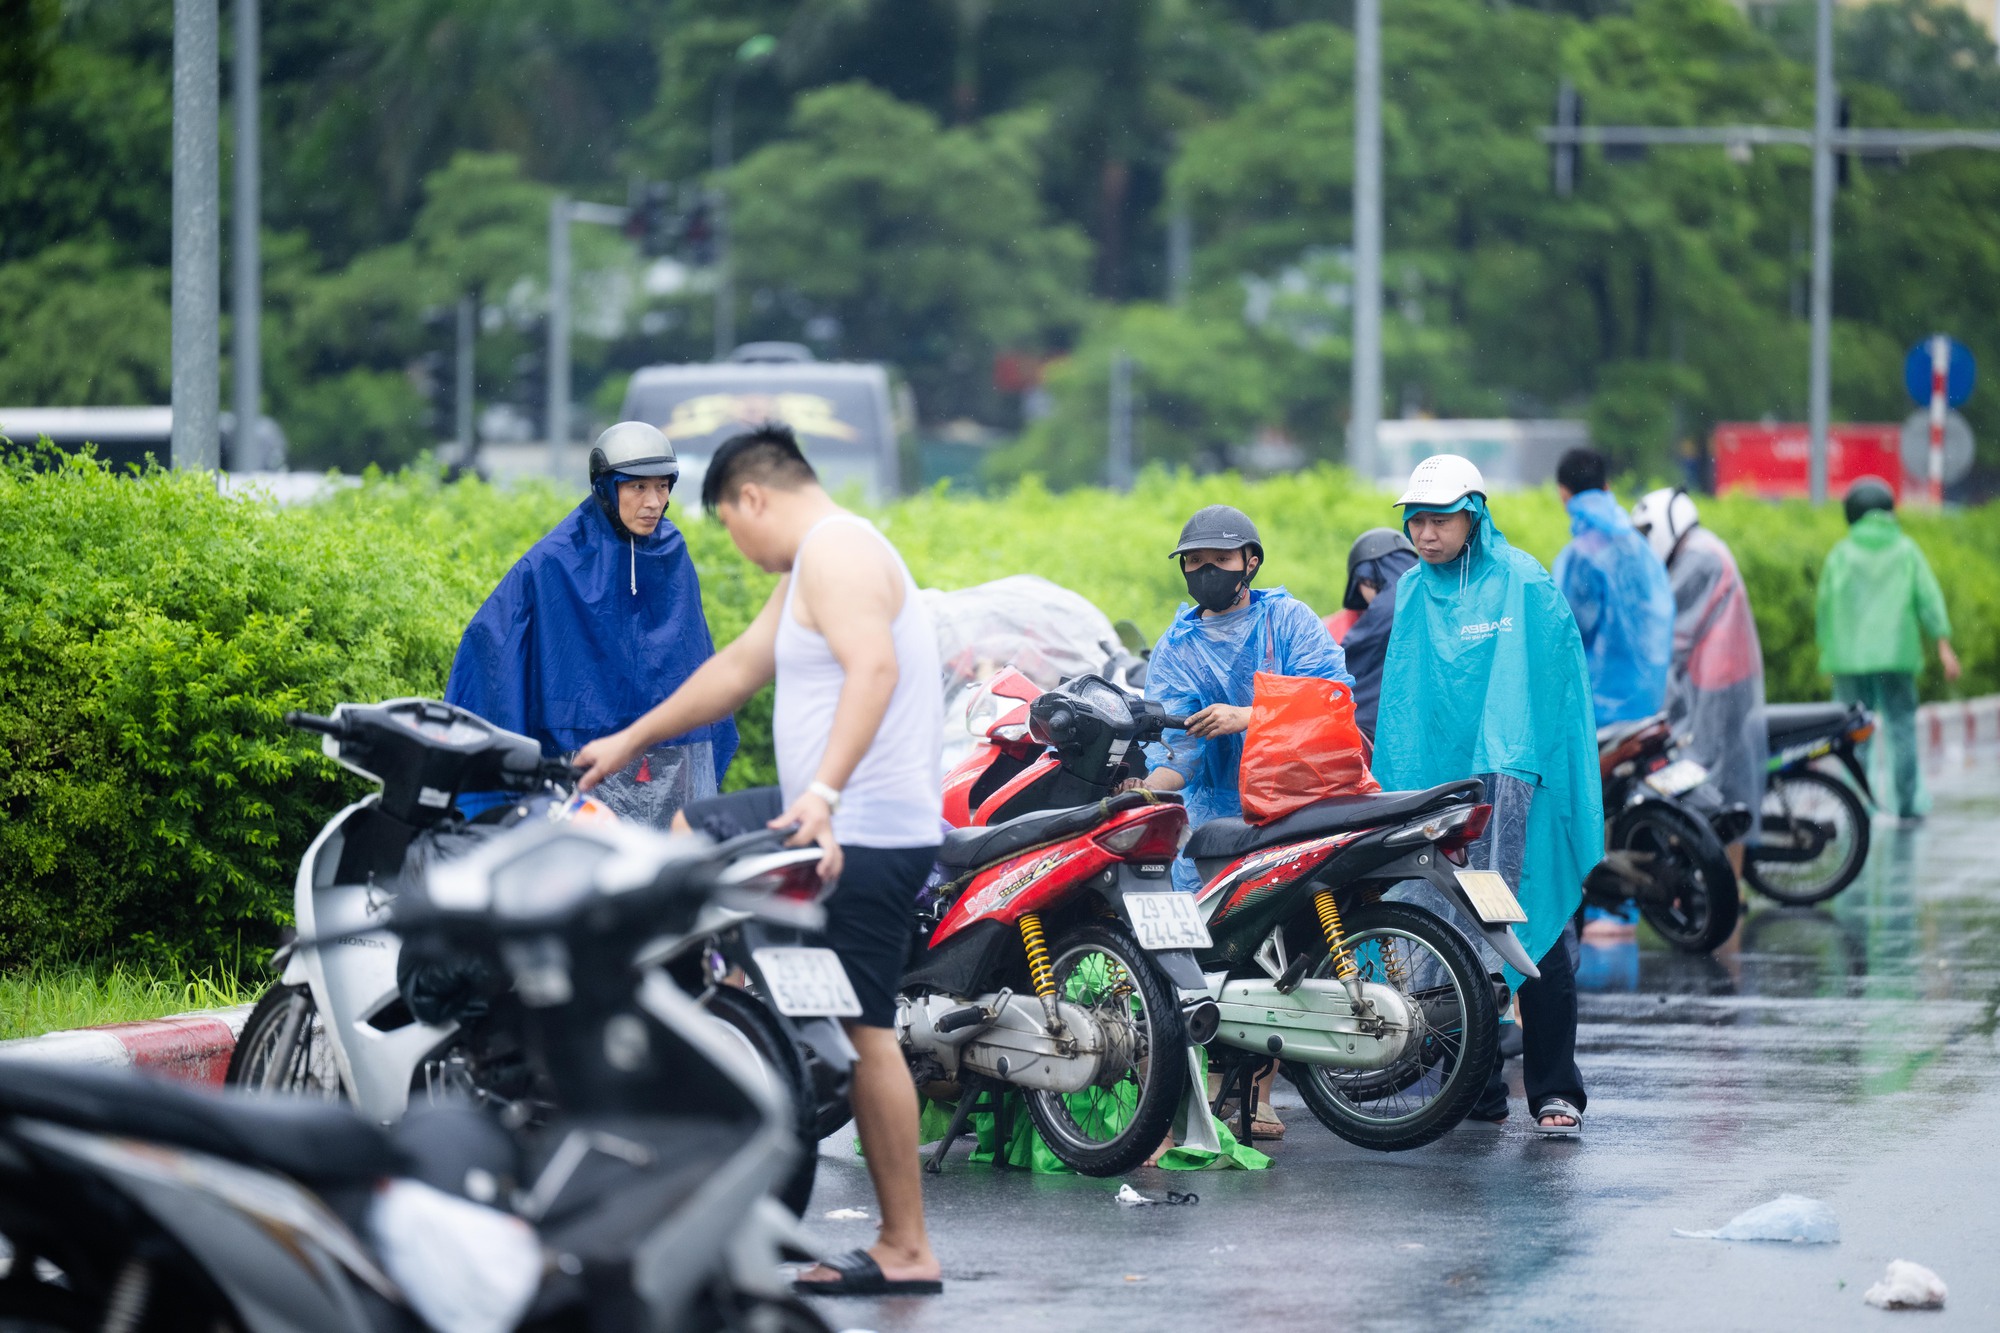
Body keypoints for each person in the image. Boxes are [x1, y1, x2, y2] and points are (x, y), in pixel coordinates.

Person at [574, 423, 944, 1297]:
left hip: (863, 830)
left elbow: (875, 668)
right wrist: (628, 739)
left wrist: (822, 792)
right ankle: (727, 1022)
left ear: (752, 498)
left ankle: (905, 1245)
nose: (743, 550)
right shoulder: (821, 557)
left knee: (868, 1030)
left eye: (733, 530)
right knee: (694, 837)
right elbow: (741, 667)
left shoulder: (839, 552)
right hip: (837, 818)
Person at [1373, 454, 1601, 1138]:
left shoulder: (1523, 582)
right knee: (1445, 932)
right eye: (1415, 519)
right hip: (1443, 796)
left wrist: (1519, 771)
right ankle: (1474, 1087)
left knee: (1533, 927)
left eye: (1439, 518)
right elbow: (1406, 706)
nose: (1425, 532)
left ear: (1473, 514)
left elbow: (1552, 685)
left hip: (1516, 794)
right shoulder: (1413, 592)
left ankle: (1556, 1089)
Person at [1120, 503, 1352, 1141]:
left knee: (1283, 950)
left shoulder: (1290, 621)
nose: (1203, 573)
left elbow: (1333, 700)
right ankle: (1219, 1083)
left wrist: (1248, 717)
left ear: (1250, 562)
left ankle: (1260, 1090)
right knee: (1218, 951)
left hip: (1294, 807)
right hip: (1215, 819)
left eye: (1217, 562)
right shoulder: (1177, 648)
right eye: (1193, 563)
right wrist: (1144, 793)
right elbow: (1180, 752)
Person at [444, 421, 735, 825]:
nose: (653, 501)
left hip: (672, 760)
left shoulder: (672, 551)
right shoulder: (556, 559)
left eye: (663, 486)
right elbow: (493, 640)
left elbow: (693, 655)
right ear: (605, 487)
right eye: (637, 487)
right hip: (580, 760)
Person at [1631, 487, 1767, 866]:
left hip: (1718, 682)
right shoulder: (1700, 548)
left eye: (1646, 532)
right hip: (1720, 677)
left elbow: (1669, 632)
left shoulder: (1697, 558)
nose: (1645, 544)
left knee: (1712, 782)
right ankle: (1726, 885)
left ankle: (1723, 884)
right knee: (1722, 781)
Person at [1815, 476, 1961, 822]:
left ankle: (1855, 807)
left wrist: (1827, 652)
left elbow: (1823, 606)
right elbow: (1929, 599)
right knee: (1901, 728)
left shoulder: (1841, 554)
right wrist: (1943, 644)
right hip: (1896, 656)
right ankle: (1908, 805)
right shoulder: (1905, 550)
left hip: (1848, 659)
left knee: (1853, 735)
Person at [1552, 447, 1675, 726]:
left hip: (1602, 714)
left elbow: (1563, 632)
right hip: (1652, 705)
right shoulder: (1638, 544)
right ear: (1607, 487)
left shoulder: (1581, 555)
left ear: (1563, 494)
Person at [1335, 527, 1418, 742]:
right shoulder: (1438, 597)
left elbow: (1340, 669)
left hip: (1375, 731)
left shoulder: (1385, 609)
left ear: (1368, 579)